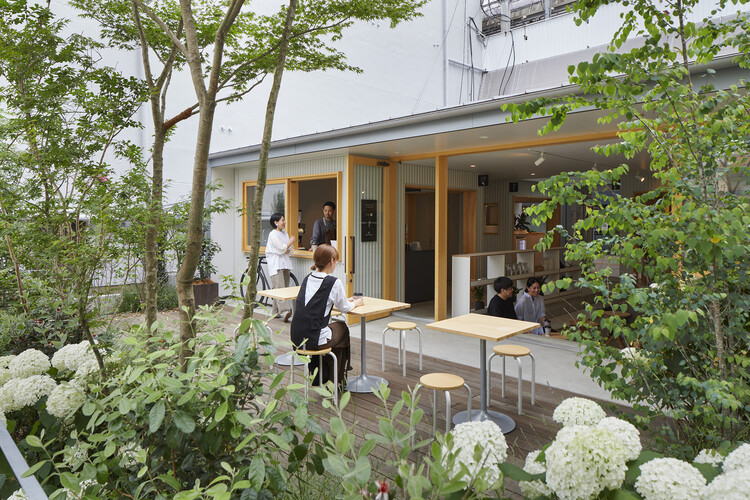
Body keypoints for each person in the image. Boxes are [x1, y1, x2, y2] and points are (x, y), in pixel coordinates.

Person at [290, 244, 364, 387]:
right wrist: (356, 303)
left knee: (334, 333)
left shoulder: (307, 278)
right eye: (336, 260)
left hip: (297, 338)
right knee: (342, 329)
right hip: (315, 339)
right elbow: (344, 308)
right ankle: (337, 380)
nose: (336, 264)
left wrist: (345, 300)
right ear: (331, 261)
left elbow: (319, 302)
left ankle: (321, 376)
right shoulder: (333, 282)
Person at [265, 213, 296, 322]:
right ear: (276, 222)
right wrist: (289, 243)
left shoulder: (285, 234)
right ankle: (284, 311)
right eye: (282, 220)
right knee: (279, 288)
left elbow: (290, 250)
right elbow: (282, 249)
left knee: (283, 288)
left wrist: (286, 247)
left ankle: (275, 312)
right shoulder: (272, 234)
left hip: (285, 264)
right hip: (276, 265)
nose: (284, 222)